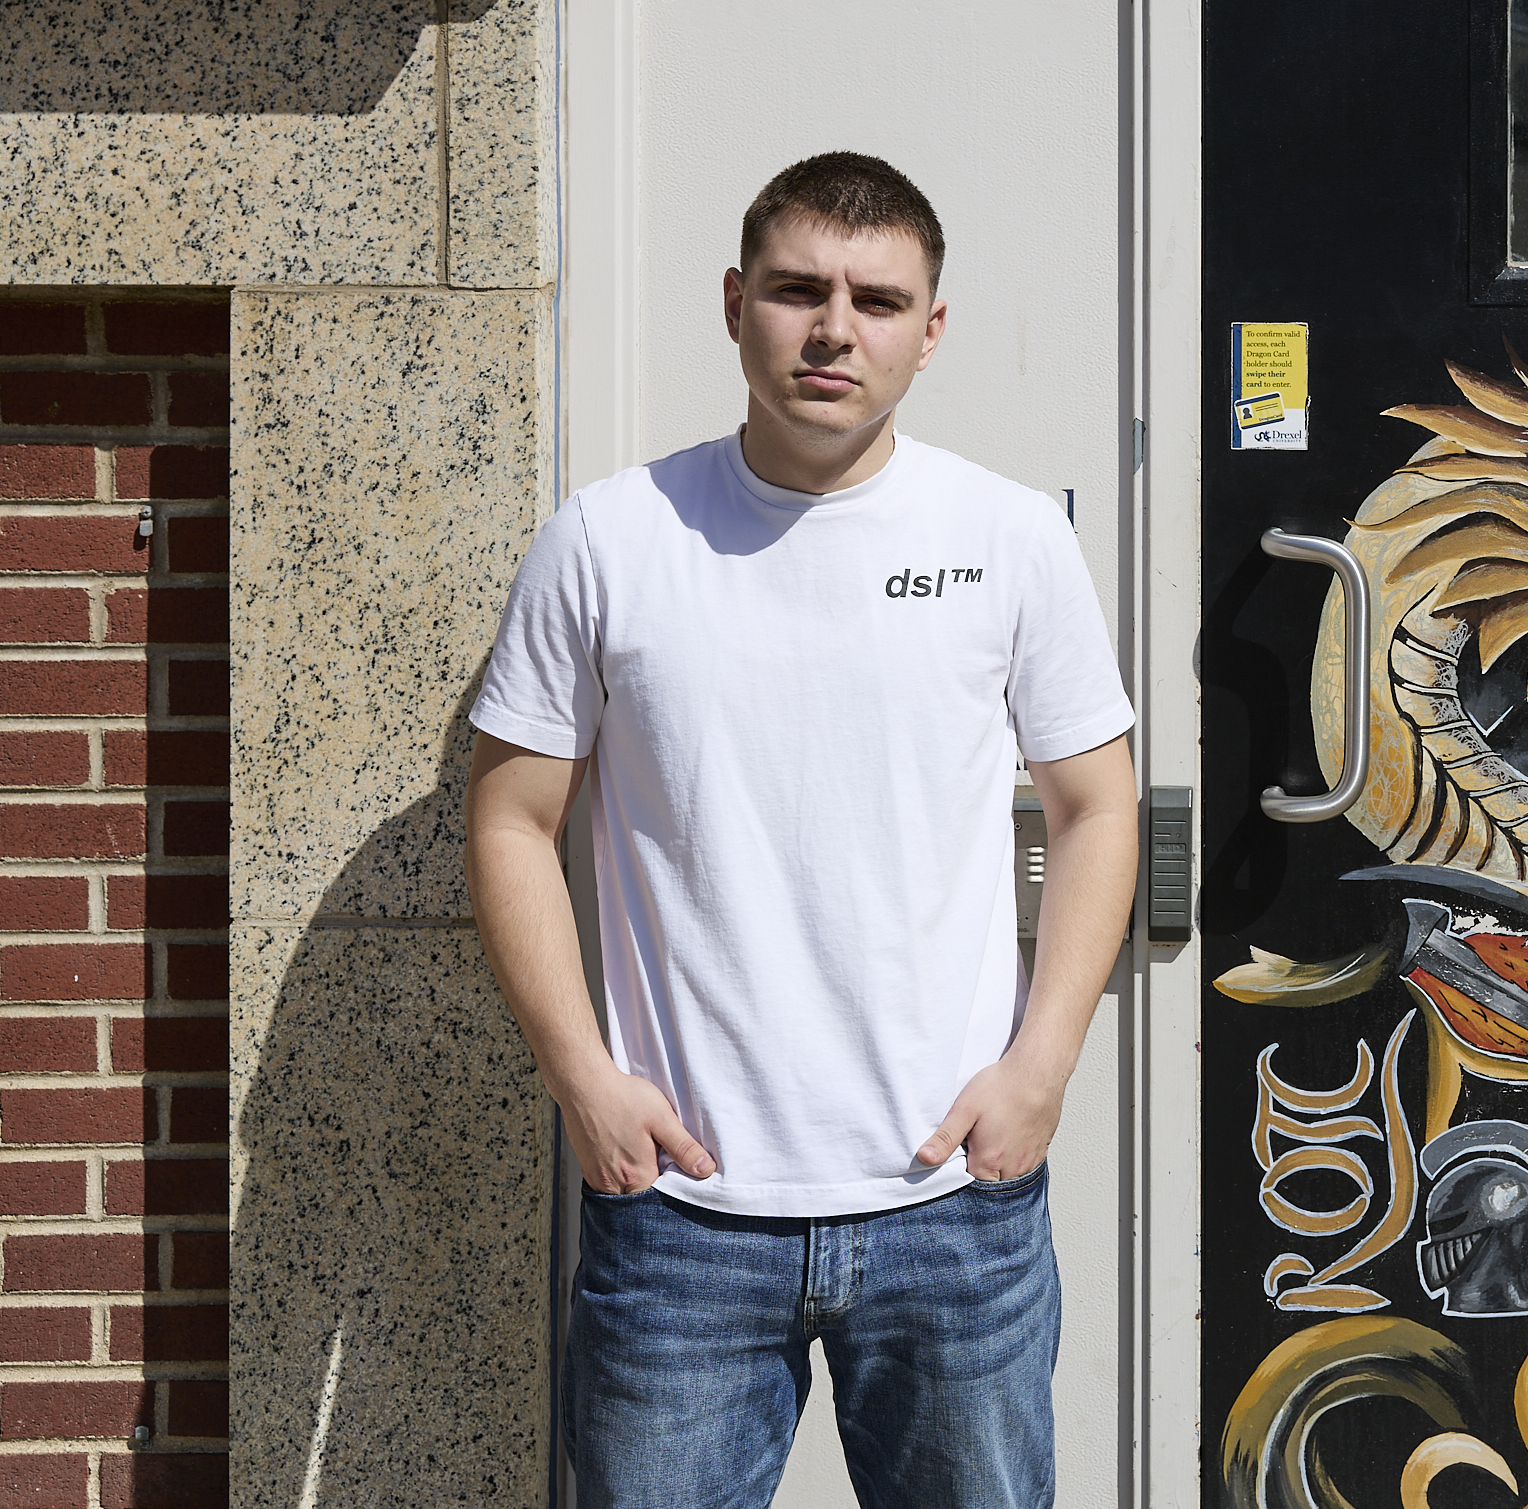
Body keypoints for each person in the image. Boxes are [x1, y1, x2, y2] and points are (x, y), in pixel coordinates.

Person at [464, 151, 1139, 1509]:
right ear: (735, 303)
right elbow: (512, 817)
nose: (836, 328)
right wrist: (583, 1080)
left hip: (953, 1199)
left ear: (930, 330)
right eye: (798, 289)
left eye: (879, 300)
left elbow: (1097, 804)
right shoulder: (609, 541)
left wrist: (1043, 1066)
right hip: (684, 1220)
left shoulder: (1007, 540)